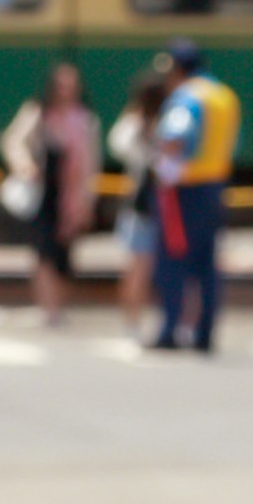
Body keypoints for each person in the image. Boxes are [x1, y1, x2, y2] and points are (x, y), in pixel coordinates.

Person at [152, 38, 239, 353]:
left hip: (184, 189)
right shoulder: (224, 96)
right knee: (207, 265)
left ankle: (170, 329)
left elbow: (174, 136)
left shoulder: (186, 98)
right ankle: (205, 334)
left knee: (173, 262)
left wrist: (165, 166)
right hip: (214, 185)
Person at [0, 61, 101, 326]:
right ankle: (48, 308)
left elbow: (91, 165)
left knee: (64, 255)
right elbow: (13, 141)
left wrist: (87, 201)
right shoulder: (38, 113)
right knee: (43, 252)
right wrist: (24, 165)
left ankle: (58, 303)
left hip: (71, 196)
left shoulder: (86, 121)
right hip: (45, 193)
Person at [109, 58, 176, 341]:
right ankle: (172, 322)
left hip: (140, 205)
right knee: (168, 269)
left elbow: (118, 145)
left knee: (136, 267)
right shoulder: (170, 123)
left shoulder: (135, 125)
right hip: (164, 204)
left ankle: (132, 324)